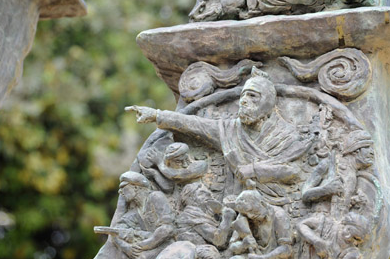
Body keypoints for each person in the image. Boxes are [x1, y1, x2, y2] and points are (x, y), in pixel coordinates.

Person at [126, 67, 307, 202]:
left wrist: (254, 170)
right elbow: (194, 124)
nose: (244, 102)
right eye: (243, 97)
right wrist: (157, 115)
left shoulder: (286, 135)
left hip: (277, 204)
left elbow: (294, 171)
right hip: (236, 205)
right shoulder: (230, 130)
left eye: (252, 96)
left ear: (267, 103)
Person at [111, 171, 175, 259]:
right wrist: (127, 248)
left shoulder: (156, 197)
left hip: (166, 247)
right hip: (149, 251)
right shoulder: (134, 212)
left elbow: (167, 228)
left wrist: (145, 245)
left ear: (135, 187)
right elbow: (115, 232)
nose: (120, 192)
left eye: (123, 188)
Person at [176, 182, 236, 249]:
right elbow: (219, 241)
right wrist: (227, 218)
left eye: (208, 192)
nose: (208, 194)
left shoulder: (207, 214)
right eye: (201, 193)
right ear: (190, 199)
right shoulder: (190, 216)